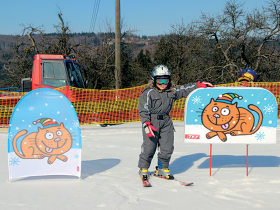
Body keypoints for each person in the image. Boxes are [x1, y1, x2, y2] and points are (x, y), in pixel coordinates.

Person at [138, 64, 214, 180]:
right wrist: (146, 123)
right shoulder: (148, 93)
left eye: (166, 80)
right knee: (149, 147)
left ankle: (163, 168)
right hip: (152, 121)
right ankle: (143, 168)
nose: (163, 84)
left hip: (166, 122)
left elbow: (184, 89)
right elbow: (143, 109)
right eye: (160, 81)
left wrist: (198, 85)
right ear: (154, 80)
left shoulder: (172, 91)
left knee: (167, 147)